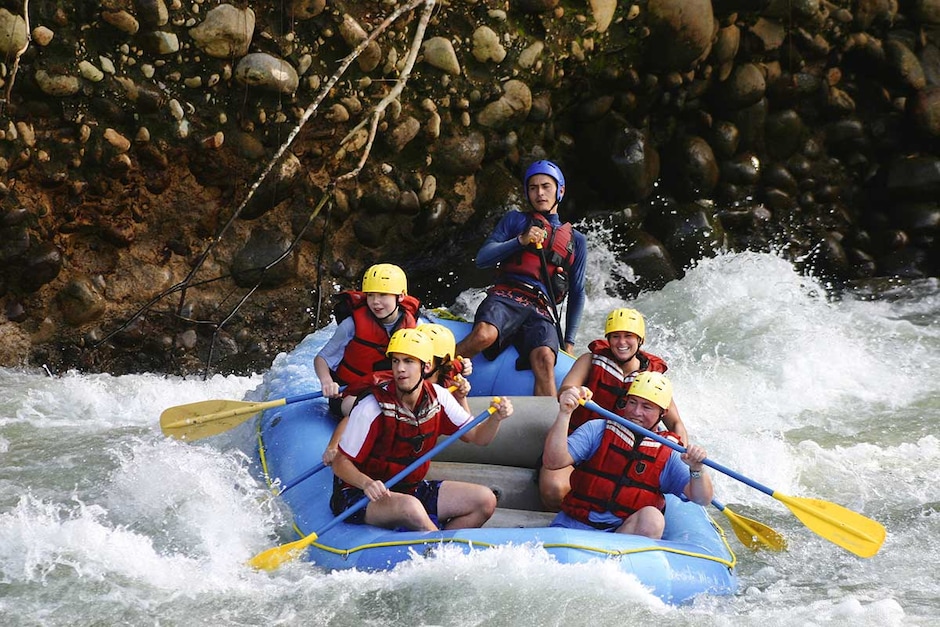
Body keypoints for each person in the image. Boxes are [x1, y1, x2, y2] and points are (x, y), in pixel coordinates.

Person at [330, 328, 514, 531]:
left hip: (410, 488)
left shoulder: (439, 396)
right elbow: (340, 463)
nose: (400, 369)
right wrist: (366, 483)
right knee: (411, 507)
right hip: (359, 495)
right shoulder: (371, 407)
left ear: (426, 366)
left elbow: (479, 437)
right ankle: (441, 551)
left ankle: (433, 546)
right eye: (396, 361)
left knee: (484, 500)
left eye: (408, 361)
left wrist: (496, 418)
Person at [454, 160, 588, 396]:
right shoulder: (516, 221)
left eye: (546, 186)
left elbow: (577, 293)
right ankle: (432, 374)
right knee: (485, 334)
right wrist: (520, 241)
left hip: (541, 308)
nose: (540, 193)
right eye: (533, 188)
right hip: (507, 295)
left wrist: (569, 342)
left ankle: (543, 427)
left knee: (546, 358)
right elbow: (482, 258)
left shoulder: (576, 241)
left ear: (560, 191)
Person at [539, 307, 689, 509]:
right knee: (554, 489)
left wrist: (681, 456)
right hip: (580, 441)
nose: (622, 342)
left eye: (629, 336)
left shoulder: (652, 378)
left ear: (640, 340)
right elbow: (566, 388)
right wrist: (576, 392)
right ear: (608, 339)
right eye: (615, 336)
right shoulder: (590, 360)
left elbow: (676, 423)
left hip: (620, 453)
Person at [542, 372, 712, 539]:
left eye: (646, 407)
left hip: (620, 537)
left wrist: (697, 468)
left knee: (653, 519)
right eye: (632, 402)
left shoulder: (669, 451)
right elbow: (553, 461)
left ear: (663, 413)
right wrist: (565, 414)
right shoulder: (597, 429)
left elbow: (701, 498)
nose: (636, 412)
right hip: (574, 526)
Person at [320, 322, 473, 465]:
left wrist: (461, 397)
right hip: (353, 404)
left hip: (409, 437)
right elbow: (355, 416)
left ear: (441, 363)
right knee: (356, 405)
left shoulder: (447, 381)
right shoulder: (397, 383)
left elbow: (467, 434)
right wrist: (333, 446)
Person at [314, 263, 421, 418]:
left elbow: (429, 366)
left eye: (383, 294)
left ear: (401, 296)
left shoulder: (414, 326)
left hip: (390, 391)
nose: (375, 301)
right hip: (350, 393)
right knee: (368, 411)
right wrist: (327, 382)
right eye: (370, 295)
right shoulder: (351, 325)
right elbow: (321, 359)